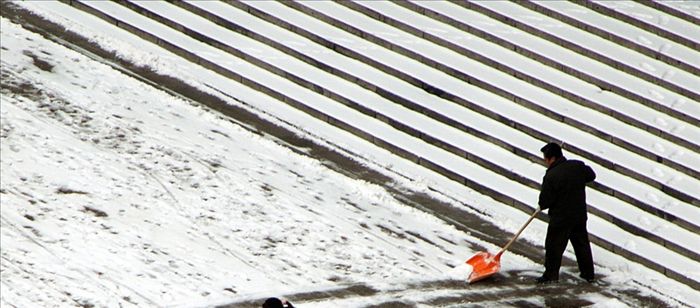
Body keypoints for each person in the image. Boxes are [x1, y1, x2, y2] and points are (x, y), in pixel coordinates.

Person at [536, 142, 596, 284]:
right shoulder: (577, 166)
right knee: (582, 245)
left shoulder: (551, 176)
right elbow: (591, 175)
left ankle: (550, 275)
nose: (545, 162)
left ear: (552, 158)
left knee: (553, 247)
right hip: (579, 215)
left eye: (546, 159)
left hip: (561, 218)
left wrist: (541, 206)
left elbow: (545, 200)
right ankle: (588, 273)